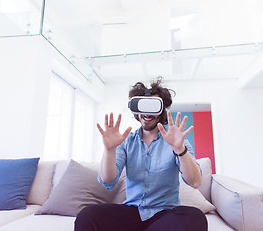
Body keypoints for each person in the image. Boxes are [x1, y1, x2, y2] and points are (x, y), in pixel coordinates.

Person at [75, 79, 208, 231]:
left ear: (161, 110)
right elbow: (107, 179)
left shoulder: (176, 141)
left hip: (165, 214)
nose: (147, 113)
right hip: (132, 212)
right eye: (143, 106)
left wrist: (179, 149)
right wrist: (109, 150)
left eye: (153, 106)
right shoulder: (126, 142)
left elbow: (195, 182)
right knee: (88, 215)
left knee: (196, 218)